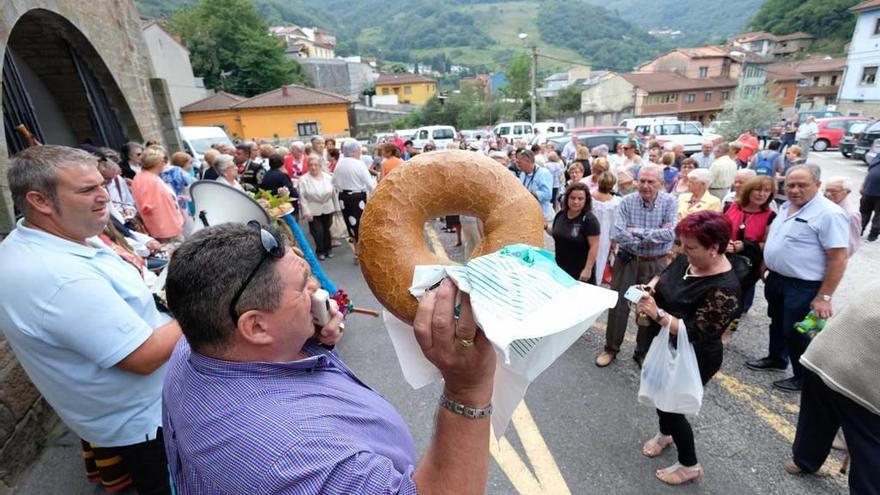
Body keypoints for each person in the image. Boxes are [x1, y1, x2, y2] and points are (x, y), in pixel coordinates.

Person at [163, 224, 496, 494]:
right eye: (302, 286)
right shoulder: (294, 456)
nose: (317, 290)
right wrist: (467, 390)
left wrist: (301, 337)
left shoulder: (195, 346)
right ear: (256, 326)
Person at [0, 145, 180, 494]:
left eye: (101, 185)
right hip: (148, 422)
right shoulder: (56, 275)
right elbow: (141, 357)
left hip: (146, 412)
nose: (104, 197)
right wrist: (208, 303)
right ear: (40, 201)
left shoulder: (60, 237)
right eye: (87, 190)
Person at [636, 211, 741, 486]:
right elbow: (665, 272)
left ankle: (689, 464)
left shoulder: (726, 289)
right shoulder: (689, 257)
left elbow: (696, 332)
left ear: (714, 248)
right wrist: (650, 288)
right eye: (682, 243)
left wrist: (656, 313)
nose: (683, 250)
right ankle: (665, 435)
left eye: (691, 247)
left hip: (696, 356)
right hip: (665, 343)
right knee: (660, 394)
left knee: (673, 408)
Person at [746, 165, 849, 393]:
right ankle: (776, 359)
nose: (794, 190)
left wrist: (824, 296)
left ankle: (802, 377)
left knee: (798, 332)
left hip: (803, 286)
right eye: (790, 185)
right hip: (778, 279)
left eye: (802, 185)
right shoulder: (786, 206)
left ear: (817, 185)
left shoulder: (829, 214)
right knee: (777, 322)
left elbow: (839, 258)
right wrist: (766, 262)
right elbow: (777, 236)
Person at [786, 282, 880, 494]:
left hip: (822, 354)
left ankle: (802, 461)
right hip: (861, 378)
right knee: (871, 444)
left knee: (817, 416)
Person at [597, 165, 677, 367]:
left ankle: (642, 352)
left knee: (648, 308)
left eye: (651, 181)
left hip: (654, 266)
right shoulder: (626, 201)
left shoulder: (670, 202)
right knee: (620, 307)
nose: (645, 185)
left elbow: (670, 234)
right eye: (642, 181)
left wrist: (636, 233)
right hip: (628, 262)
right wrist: (652, 235)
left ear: (660, 183)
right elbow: (617, 233)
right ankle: (611, 349)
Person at [723, 176, 777, 335]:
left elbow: (769, 244)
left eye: (767, 191)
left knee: (737, 299)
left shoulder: (770, 216)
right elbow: (718, 229)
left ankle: (729, 330)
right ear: (748, 190)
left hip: (748, 265)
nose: (762, 194)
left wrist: (745, 245)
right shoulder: (731, 207)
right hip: (724, 258)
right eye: (758, 190)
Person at [548, 182, 600, 282]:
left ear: (586, 201)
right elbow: (556, 232)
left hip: (580, 271)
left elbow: (594, 246)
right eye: (572, 198)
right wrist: (545, 226)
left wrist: (588, 269)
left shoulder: (589, 220)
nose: (576, 202)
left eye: (580, 199)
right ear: (567, 198)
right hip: (560, 267)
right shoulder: (561, 214)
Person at [131, 147, 184, 242]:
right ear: (157, 162)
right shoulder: (148, 180)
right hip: (165, 230)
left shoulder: (145, 177)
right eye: (164, 160)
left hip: (165, 228)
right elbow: (147, 206)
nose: (165, 163)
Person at [332, 140, 376, 243]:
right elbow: (370, 184)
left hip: (343, 197)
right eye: (359, 150)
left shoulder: (340, 164)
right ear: (355, 151)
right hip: (357, 197)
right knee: (360, 224)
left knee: (350, 223)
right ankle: (362, 249)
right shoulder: (359, 164)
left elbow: (333, 182)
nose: (360, 153)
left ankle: (356, 250)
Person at [299, 154, 336, 260]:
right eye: (311, 165)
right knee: (317, 231)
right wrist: (306, 211)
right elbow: (302, 197)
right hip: (312, 209)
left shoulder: (328, 177)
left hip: (328, 207)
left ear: (320, 165)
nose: (313, 167)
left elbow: (334, 194)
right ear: (308, 166)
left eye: (316, 165)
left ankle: (328, 249)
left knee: (327, 229)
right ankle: (320, 251)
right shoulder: (303, 179)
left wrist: (337, 208)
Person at [592, 172, 621, 285]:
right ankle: (596, 283)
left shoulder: (589, 197)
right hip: (604, 236)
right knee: (600, 260)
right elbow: (615, 224)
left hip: (588, 233)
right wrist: (614, 242)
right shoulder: (616, 202)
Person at [823, 177, 861, 256]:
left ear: (846, 192)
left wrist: (837, 261)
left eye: (833, 191)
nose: (828, 194)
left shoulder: (851, 214)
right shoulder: (829, 204)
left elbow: (851, 244)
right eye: (827, 190)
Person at [515, 148, 554, 222]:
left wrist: (532, 193)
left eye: (519, 162)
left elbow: (548, 195)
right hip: (528, 214)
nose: (517, 165)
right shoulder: (523, 173)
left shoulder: (543, 173)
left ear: (528, 161)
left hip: (542, 216)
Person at [859, 153, 880, 241]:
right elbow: (869, 171)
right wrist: (863, 185)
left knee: (878, 216)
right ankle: (859, 230)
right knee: (863, 212)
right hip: (868, 190)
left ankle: (873, 234)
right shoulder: (878, 156)